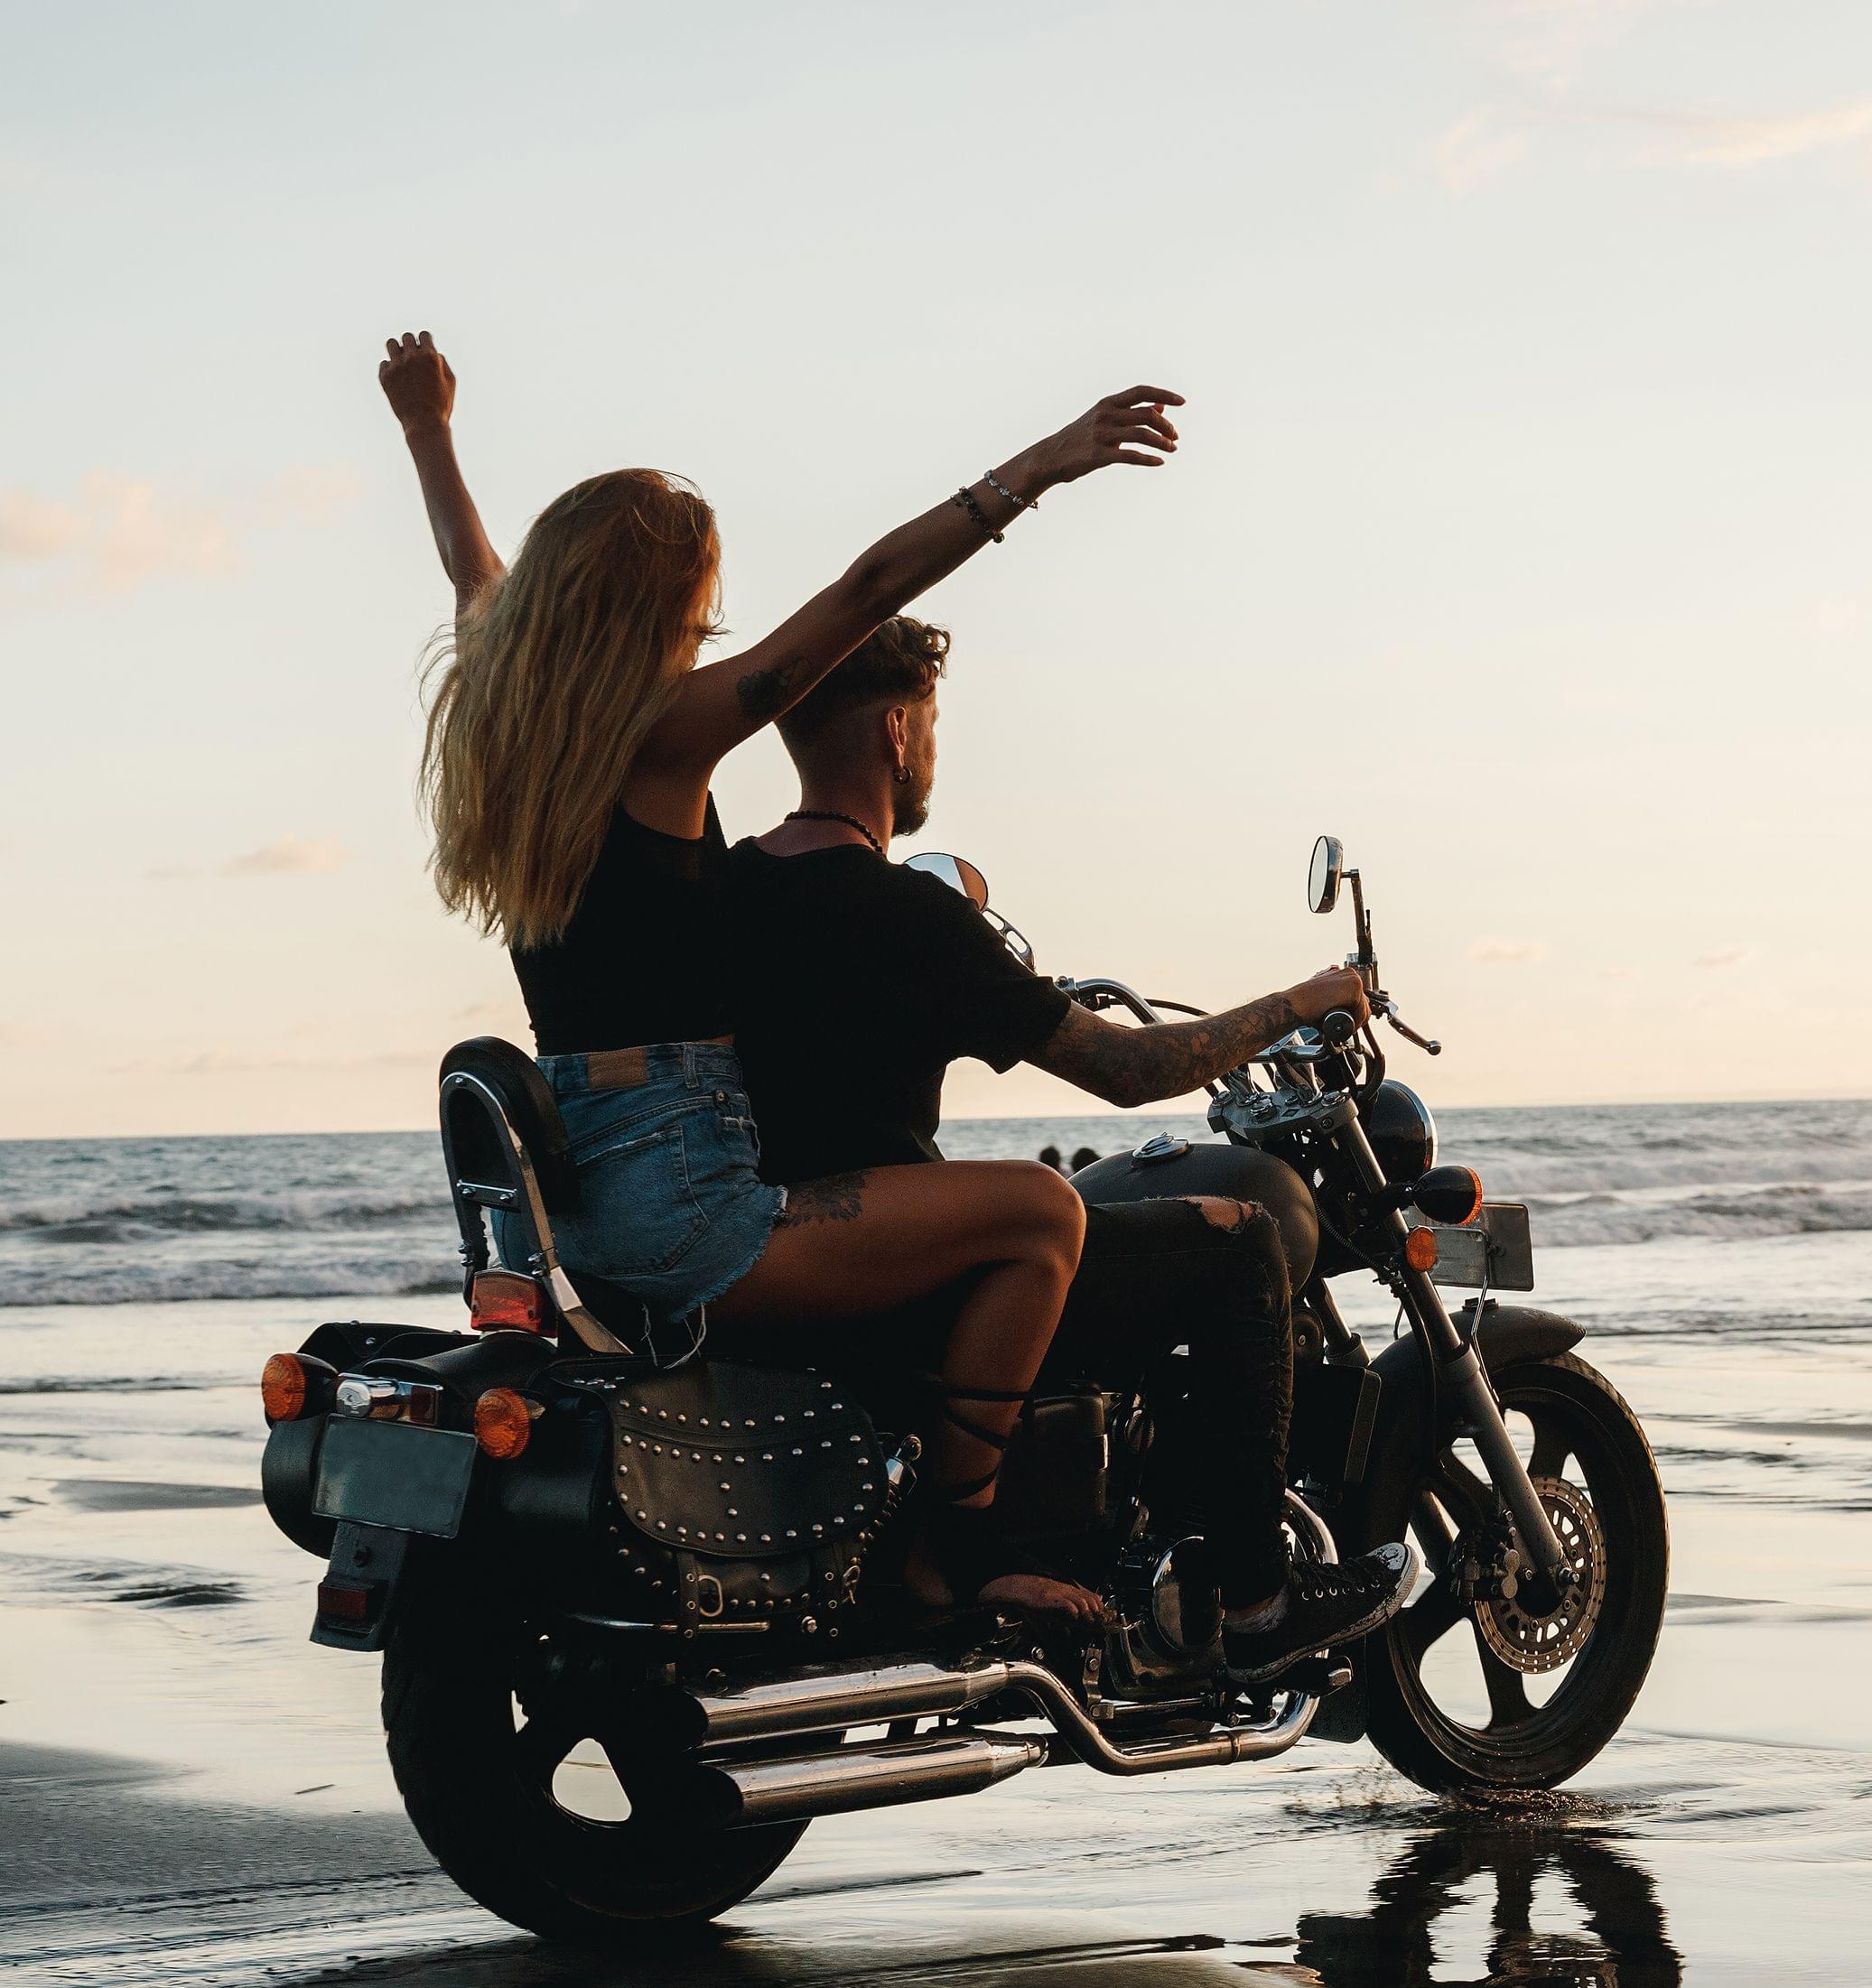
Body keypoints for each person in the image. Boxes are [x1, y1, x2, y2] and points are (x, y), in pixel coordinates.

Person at [380, 330, 1178, 1615]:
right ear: (650, 606)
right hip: (694, 1204)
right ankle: (954, 1547)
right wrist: (1042, 466)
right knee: (1044, 1213)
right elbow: (867, 590)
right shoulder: (661, 742)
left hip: (590, 1204)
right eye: (699, 594)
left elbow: (471, 572)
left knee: (1018, 1212)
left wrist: (428, 430)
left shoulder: (514, 731)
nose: (714, 620)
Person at [722, 613, 1410, 1676]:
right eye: (935, 729)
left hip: (767, 1260)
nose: (933, 753)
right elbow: (1130, 1073)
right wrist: (1302, 998)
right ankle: (1258, 1597)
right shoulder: (909, 916)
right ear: (899, 733)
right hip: (899, 1281)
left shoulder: (723, 890)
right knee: (1234, 1239)